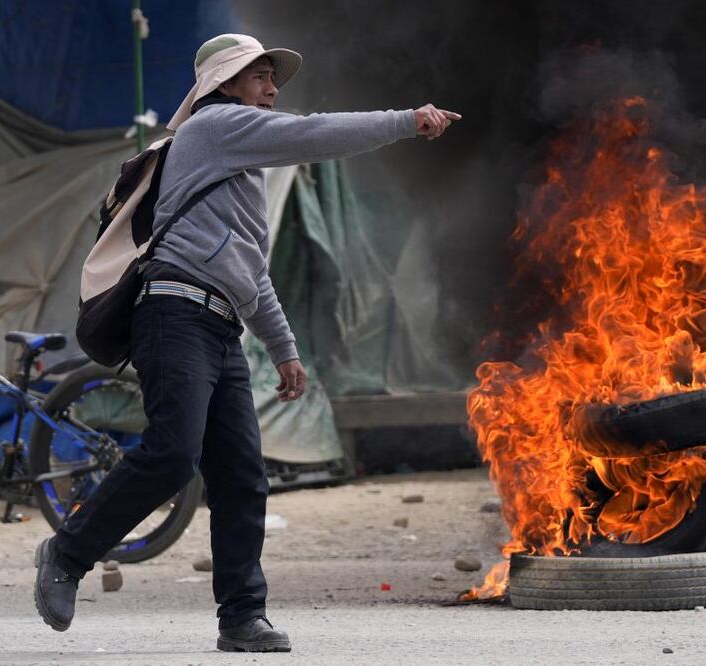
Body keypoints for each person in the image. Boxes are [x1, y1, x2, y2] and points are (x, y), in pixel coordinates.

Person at [34, 33, 460, 653]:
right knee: (174, 454)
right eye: (260, 77)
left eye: (272, 79)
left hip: (220, 326)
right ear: (224, 84)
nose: (272, 89)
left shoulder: (238, 168)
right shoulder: (214, 128)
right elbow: (313, 134)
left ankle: (241, 616)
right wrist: (405, 120)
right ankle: (67, 555)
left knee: (240, 476)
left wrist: (284, 350)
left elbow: (251, 271)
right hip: (174, 313)